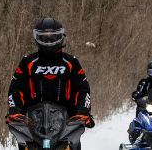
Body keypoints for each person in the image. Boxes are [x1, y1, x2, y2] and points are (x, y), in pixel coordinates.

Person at [6, 18, 93, 150]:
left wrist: (82, 110)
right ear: (37, 38)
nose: (49, 42)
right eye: (44, 38)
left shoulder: (71, 62)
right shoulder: (27, 62)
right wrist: (15, 110)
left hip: (67, 124)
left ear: (60, 37)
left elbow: (83, 89)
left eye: (53, 38)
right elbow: (16, 89)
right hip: (32, 124)